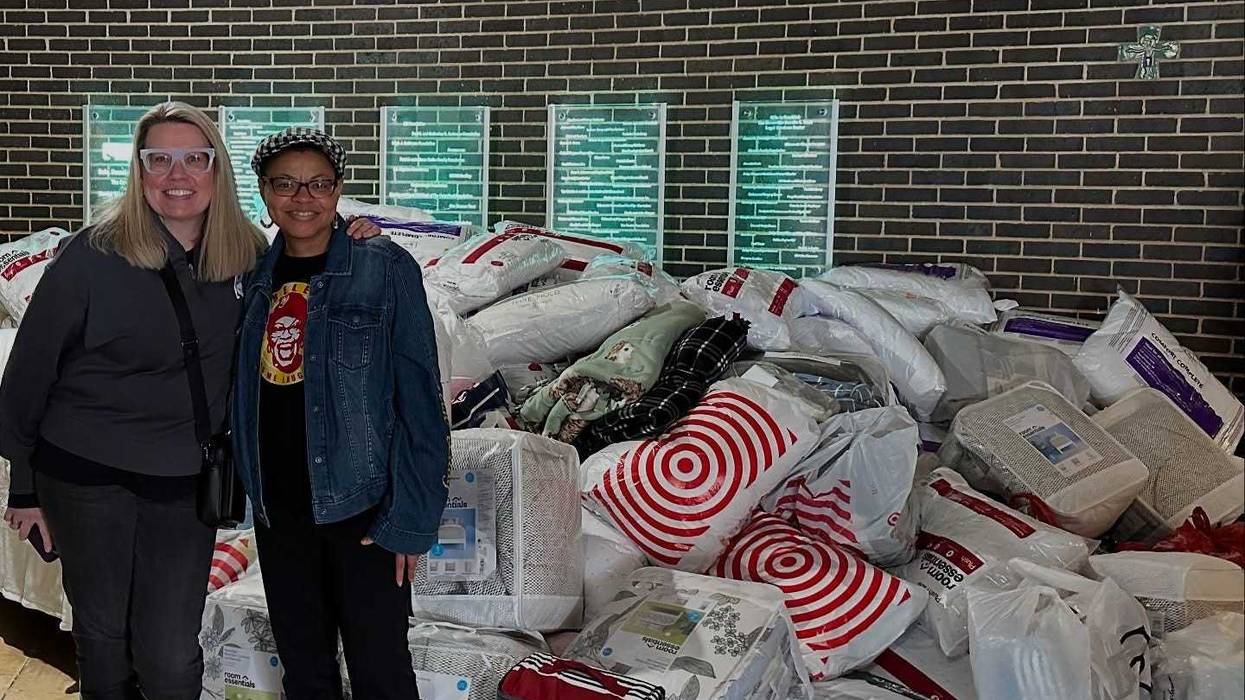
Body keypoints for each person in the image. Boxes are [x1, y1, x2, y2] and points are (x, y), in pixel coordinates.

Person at [0, 102, 378, 700]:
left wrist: (355, 236)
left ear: (216, 169)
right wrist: (24, 488)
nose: (178, 176)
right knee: (103, 639)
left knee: (172, 653)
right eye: (160, 160)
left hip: (183, 479)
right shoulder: (92, 254)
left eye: (194, 158)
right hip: (84, 477)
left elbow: (314, 261)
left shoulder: (250, 253)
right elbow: (25, 378)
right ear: (139, 170)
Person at [232, 127, 449, 699]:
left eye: (318, 184)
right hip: (279, 509)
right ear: (263, 192)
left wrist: (411, 518)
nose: (302, 198)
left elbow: (421, 398)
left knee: (380, 670)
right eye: (285, 184)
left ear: (338, 190)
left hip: (363, 510)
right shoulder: (252, 274)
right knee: (305, 671)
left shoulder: (383, 267)